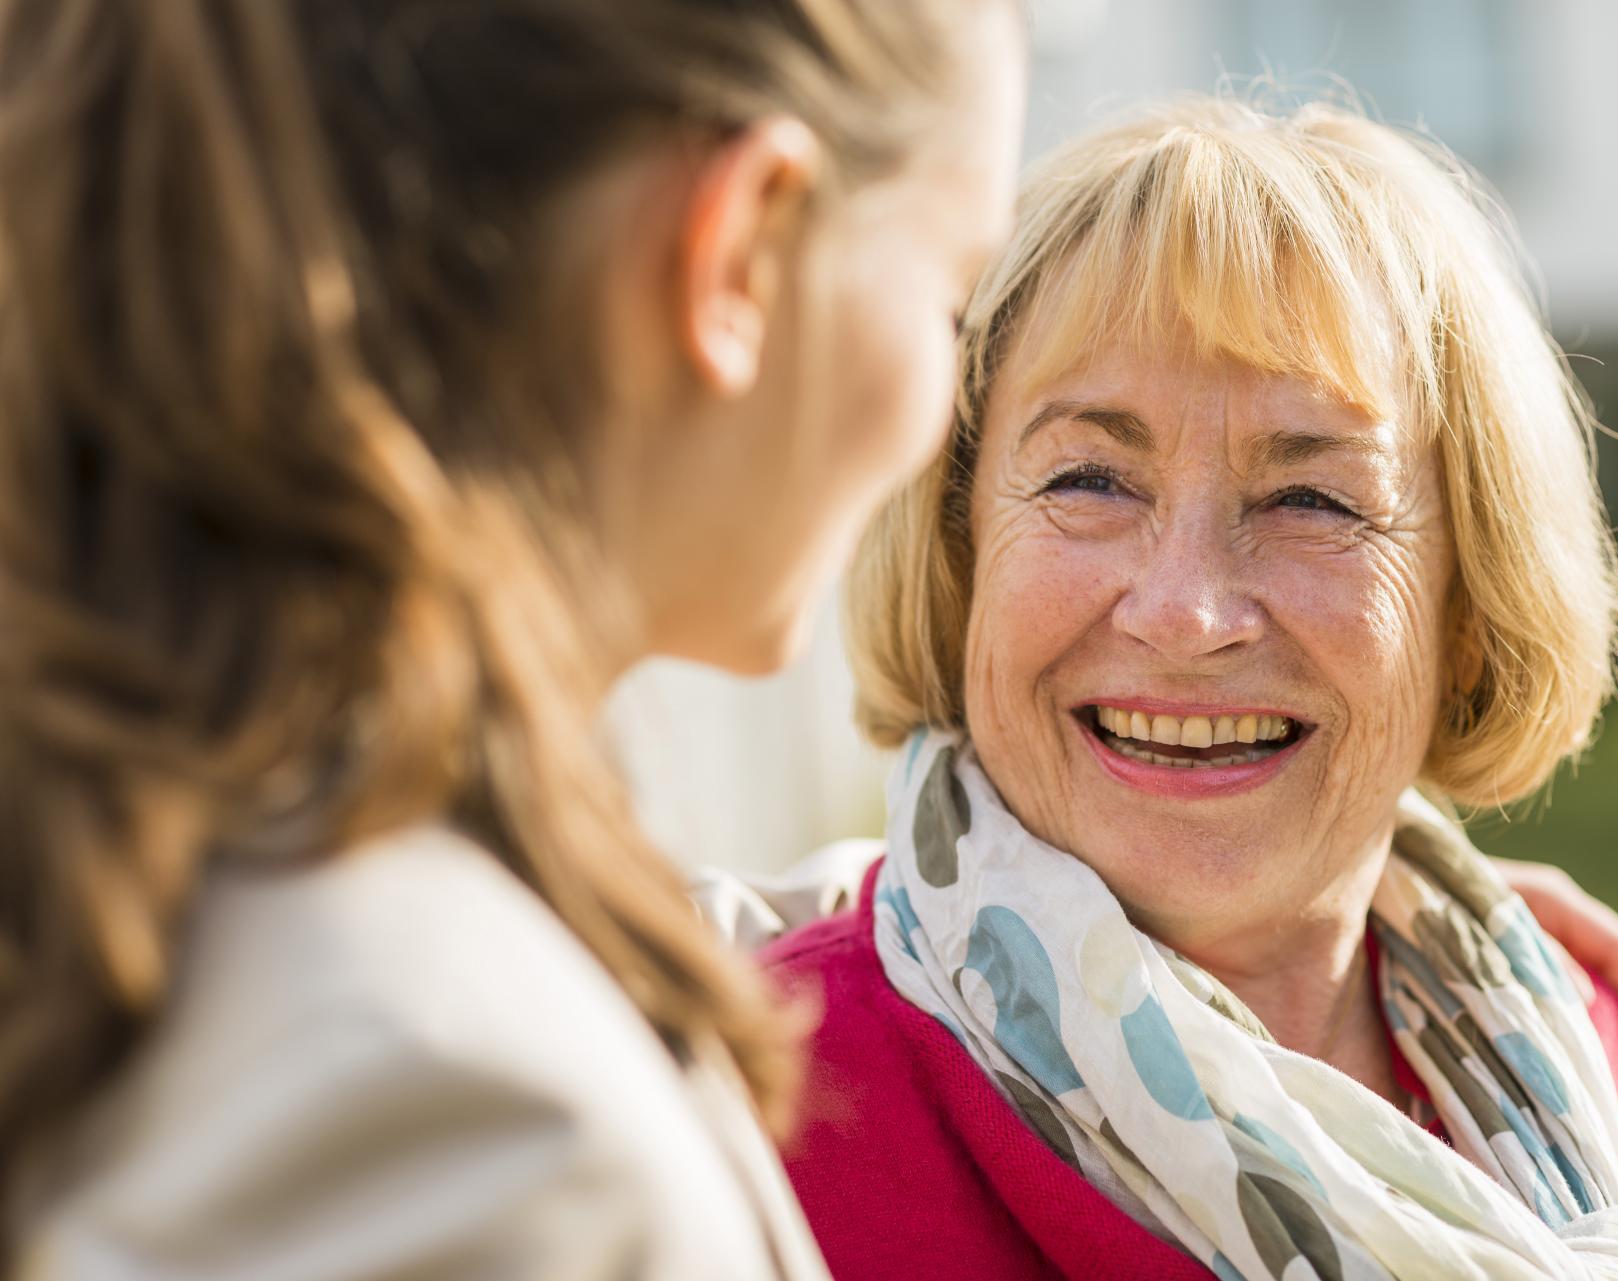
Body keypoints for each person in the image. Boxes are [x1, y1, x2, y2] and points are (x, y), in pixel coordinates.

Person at [0, 0, 1025, 1275]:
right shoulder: (466, 1127)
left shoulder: (181, 854)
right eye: (950, 299)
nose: (940, 420)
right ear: (744, 249)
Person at [763, 97, 1618, 1280]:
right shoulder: (765, 1106)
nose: (1186, 612)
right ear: (959, 554)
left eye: (1312, 501)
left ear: (1468, 608)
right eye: (1091, 478)